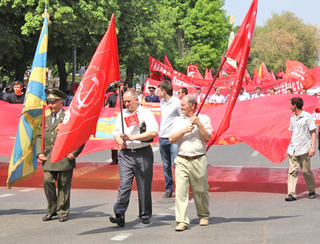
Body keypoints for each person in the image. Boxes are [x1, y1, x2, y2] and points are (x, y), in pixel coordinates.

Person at [110, 89, 158, 227]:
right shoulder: (122, 114)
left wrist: (133, 137)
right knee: (124, 185)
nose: (126, 104)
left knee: (143, 184)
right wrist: (119, 141)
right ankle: (119, 214)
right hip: (125, 154)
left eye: (129, 101)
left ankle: (145, 214)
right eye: (124, 101)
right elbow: (116, 133)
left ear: (137, 100)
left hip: (142, 152)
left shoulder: (146, 113)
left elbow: (153, 132)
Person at [36, 88, 84, 222]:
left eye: (53, 102)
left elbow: (80, 136)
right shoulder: (45, 119)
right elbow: (39, 136)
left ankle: (62, 211)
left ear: (61, 102)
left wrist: (74, 152)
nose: (50, 105)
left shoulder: (69, 117)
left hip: (64, 157)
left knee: (63, 185)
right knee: (48, 181)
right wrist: (39, 152)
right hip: (49, 157)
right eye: (49, 102)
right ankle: (51, 209)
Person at [169, 95, 212, 231]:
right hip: (182, 159)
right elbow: (171, 139)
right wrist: (183, 131)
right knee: (181, 191)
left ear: (193, 106)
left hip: (199, 159)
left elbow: (207, 138)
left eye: (183, 105)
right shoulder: (177, 121)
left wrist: (198, 124)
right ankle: (181, 220)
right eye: (181, 105)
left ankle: (203, 215)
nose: (181, 107)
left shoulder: (204, 119)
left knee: (200, 190)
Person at [285, 97, 316, 201]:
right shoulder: (292, 118)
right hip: (293, 148)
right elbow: (292, 133)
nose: (289, 107)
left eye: (290, 104)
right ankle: (291, 194)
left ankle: (311, 190)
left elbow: (313, 132)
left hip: (304, 148)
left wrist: (312, 147)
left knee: (306, 170)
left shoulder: (307, 117)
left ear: (295, 105)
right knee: (292, 171)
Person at [158, 80, 181, 198]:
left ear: (164, 91)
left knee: (177, 164)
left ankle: (181, 188)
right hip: (162, 137)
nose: (158, 92)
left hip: (173, 138)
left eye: (159, 90)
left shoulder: (176, 102)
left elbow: (182, 117)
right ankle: (169, 188)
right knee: (166, 165)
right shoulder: (161, 102)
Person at [105, 82, 121, 165]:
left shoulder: (122, 97)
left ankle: (118, 159)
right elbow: (107, 106)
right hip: (117, 120)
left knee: (119, 139)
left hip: (118, 120)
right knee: (116, 139)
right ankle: (116, 159)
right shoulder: (113, 97)